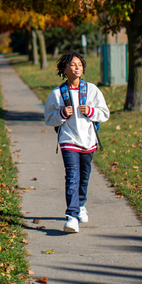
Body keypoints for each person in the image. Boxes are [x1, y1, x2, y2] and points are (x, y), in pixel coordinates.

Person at [44, 51, 110, 232]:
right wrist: (61, 114)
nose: (77, 67)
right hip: (68, 140)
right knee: (72, 176)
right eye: (73, 65)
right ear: (64, 69)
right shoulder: (58, 93)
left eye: (80, 65)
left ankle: (81, 205)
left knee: (84, 176)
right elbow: (49, 118)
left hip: (88, 141)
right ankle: (72, 216)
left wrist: (90, 111)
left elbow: (104, 113)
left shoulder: (92, 90)